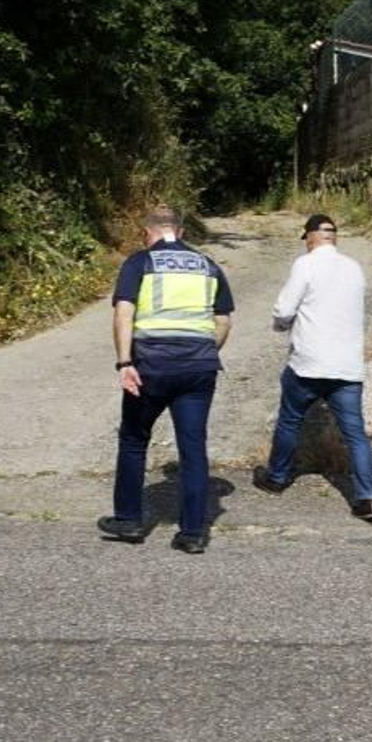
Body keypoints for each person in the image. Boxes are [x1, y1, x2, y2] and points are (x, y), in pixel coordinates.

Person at [98, 206, 234, 554]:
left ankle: (129, 520)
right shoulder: (208, 265)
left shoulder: (139, 262)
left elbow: (123, 313)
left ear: (147, 233)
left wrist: (124, 361)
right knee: (193, 448)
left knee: (133, 438)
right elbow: (223, 321)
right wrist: (202, 350)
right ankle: (192, 533)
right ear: (181, 232)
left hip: (151, 367)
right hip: (199, 369)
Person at [252, 214, 372, 521]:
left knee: (290, 420)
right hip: (347, 365)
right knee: (355, 435)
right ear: (333, 238)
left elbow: (284, 309)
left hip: (308, 363)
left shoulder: (305, 265)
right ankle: (367, 499)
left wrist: (281, 326)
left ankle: (277, 478)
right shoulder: (354, 267)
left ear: (310, 237)